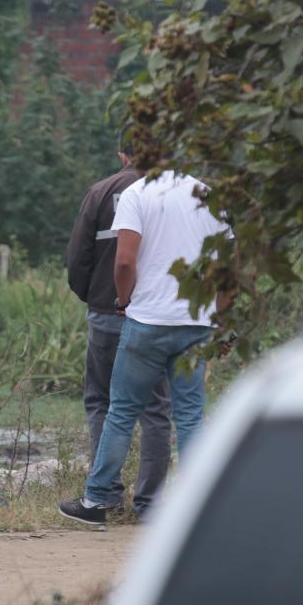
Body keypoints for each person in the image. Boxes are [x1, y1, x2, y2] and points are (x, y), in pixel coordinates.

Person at [59, 167, 231, 530]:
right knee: (189, 415)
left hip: (147, 322)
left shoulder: (138, 193)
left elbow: (124, 260)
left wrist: (123, 299)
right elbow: (227, 270)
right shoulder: (209, 195)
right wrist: (221, 320)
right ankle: (198, 504)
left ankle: (97, 499)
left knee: (121, 411)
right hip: (196, 323)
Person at [65, 143, 172, 517]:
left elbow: (78, 257)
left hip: (107, 313)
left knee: (101, 402)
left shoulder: (101, 191)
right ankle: (152, 503)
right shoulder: (171, 193)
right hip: (157, 314)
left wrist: (95, 297)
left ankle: (105, 494)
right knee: (156, 409)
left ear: (121, 152)